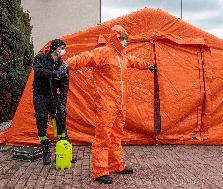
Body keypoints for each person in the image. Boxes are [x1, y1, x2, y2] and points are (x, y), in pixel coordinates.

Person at [67, 25, 157, 184]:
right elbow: (85, 57)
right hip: (106, 104)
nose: (124, 42)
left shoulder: (122, 56)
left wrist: (148, 66)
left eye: (125, 39)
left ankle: (116, 165)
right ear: (115, 38)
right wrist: (67, 63)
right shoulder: (103, 53)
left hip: (120, 104)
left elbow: (134, 61)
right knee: (103, 137)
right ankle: (100, 171)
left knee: (116, 136)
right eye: (122, 38)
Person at [33, 39, 70, 165]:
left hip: (53, 95)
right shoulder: (41, 58)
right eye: (61, 48)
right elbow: (38, 72)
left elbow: (64, 85)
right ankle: (46, 152)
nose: (63, 51)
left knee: (60, 121)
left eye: (64, 48)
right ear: (54, 48)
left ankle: (62, 151)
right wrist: (54, 74)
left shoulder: (62, 65)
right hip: (40, 95)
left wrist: (63, 102)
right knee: (41, 122)